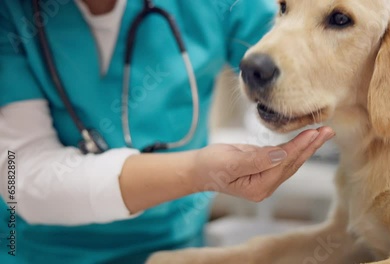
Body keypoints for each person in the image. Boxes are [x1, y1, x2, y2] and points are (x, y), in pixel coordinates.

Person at [0, 0, 334, 263]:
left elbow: (307, 54)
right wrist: (197, 172)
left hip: (175, 249)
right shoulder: (11, 14)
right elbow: (23, 179)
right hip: (40, 251)